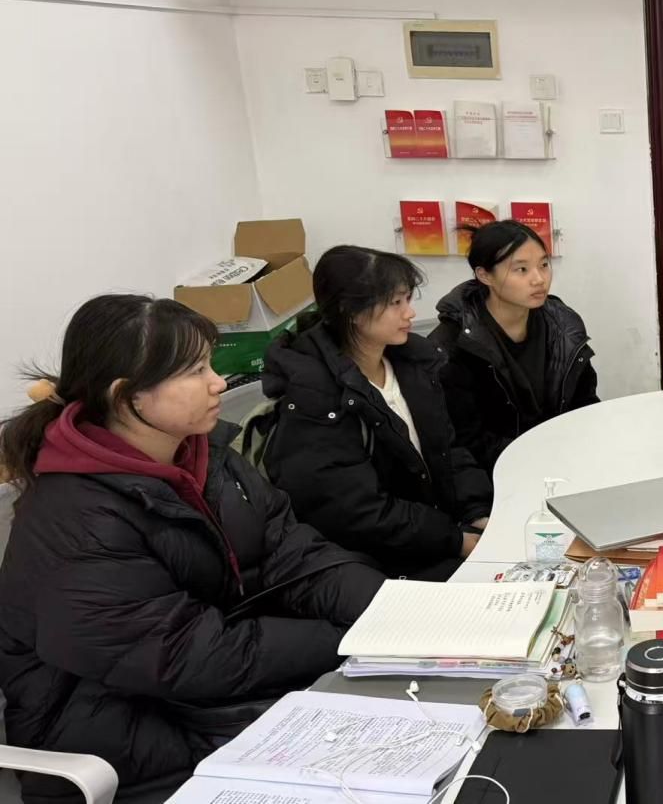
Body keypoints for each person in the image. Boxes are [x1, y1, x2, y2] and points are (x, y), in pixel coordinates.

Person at [0, 295, 385, 804]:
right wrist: (347, 639)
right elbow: (185, 657)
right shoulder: (76, 519)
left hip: (210, 697)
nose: (218, 382)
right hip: (122, 737)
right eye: (195, 370)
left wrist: (389, 612)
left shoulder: (205, 457)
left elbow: (295, 554)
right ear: (127, 397)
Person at [262, 245, 491, 580]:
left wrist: (479, 512)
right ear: (350, 311)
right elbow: (356, 510)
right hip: (372, 561)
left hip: (431, 532)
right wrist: (456, 541)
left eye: (408, 299)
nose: (410, 313)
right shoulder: (315, 394)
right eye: (395, 303)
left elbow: (447, 450)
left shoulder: (413, 361)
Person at [432, 221, 598, 472]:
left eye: (544, 265)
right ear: (485, 275)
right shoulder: (453, 345)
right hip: (497, 474)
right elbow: (465, 440)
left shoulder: (563, 324)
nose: (539, 279)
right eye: (521, 269)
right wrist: (540, 459)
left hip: (565, 462)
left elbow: (584, 404)